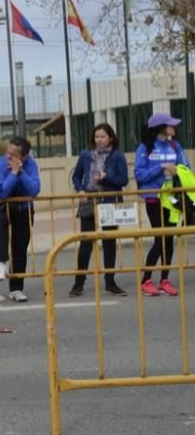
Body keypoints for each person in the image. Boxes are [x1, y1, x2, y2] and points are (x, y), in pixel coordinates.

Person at [70, 123, 129, 297]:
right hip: (89, 200)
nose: (99, 139)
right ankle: (78, 283)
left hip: (110, 202)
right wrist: (80, 189)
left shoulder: (117, 155)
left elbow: (123, 179)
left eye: (103, 136)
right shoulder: (86, 155)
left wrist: (107, 176)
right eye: (97, 136)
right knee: (85, 242)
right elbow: (76, 176)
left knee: (109, 242)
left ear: (110, 137)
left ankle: (110, 282)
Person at [134, 112, 189, 297]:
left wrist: (177, 170)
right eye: (170, 124)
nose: (174, 127)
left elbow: (186, 168)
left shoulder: (175, 145)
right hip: (153, 198)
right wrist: (160, 167)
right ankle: (146, 280)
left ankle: (164, 280)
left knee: (169, 239)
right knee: (160, 238)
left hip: (172, 199)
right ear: (160, 127)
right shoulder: (144, 148)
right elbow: (139, 175)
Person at [0, 136, 41, 303]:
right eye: (8, 152)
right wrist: (12, 173)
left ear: (24, 157)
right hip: (3, 207)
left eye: (13, 154)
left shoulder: (31, 165)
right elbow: (2, 192)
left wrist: (20, 172)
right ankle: (0, 261)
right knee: (0, 223)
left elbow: (34, 190)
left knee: (20, 248)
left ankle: (16, 288)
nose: (9, 157)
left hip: (24, 209)